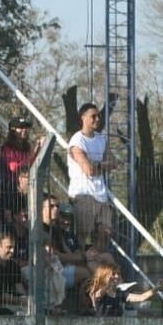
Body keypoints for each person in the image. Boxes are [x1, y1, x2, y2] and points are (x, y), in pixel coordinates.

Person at [68, 102, 114, 251]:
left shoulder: (101, 139)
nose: (97, 119)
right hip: (84, 194)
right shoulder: (77, 141)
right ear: (83, 117)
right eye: (93, 116)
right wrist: (101, 166)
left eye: (98, 116)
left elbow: (113, 162)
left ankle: (97, 261)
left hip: (101, 194)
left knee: (105, 232)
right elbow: (88, 170)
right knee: (82, 233)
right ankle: (81, 261)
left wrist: (96, 165)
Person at [88, 259, 155, 317]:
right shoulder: (98, 292)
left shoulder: (120, 293)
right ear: (104, 276)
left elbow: (141, 297)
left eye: (118, 273)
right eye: (113, 274)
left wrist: (156, 288)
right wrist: (108, 284)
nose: (117, 276)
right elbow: (98, 294)